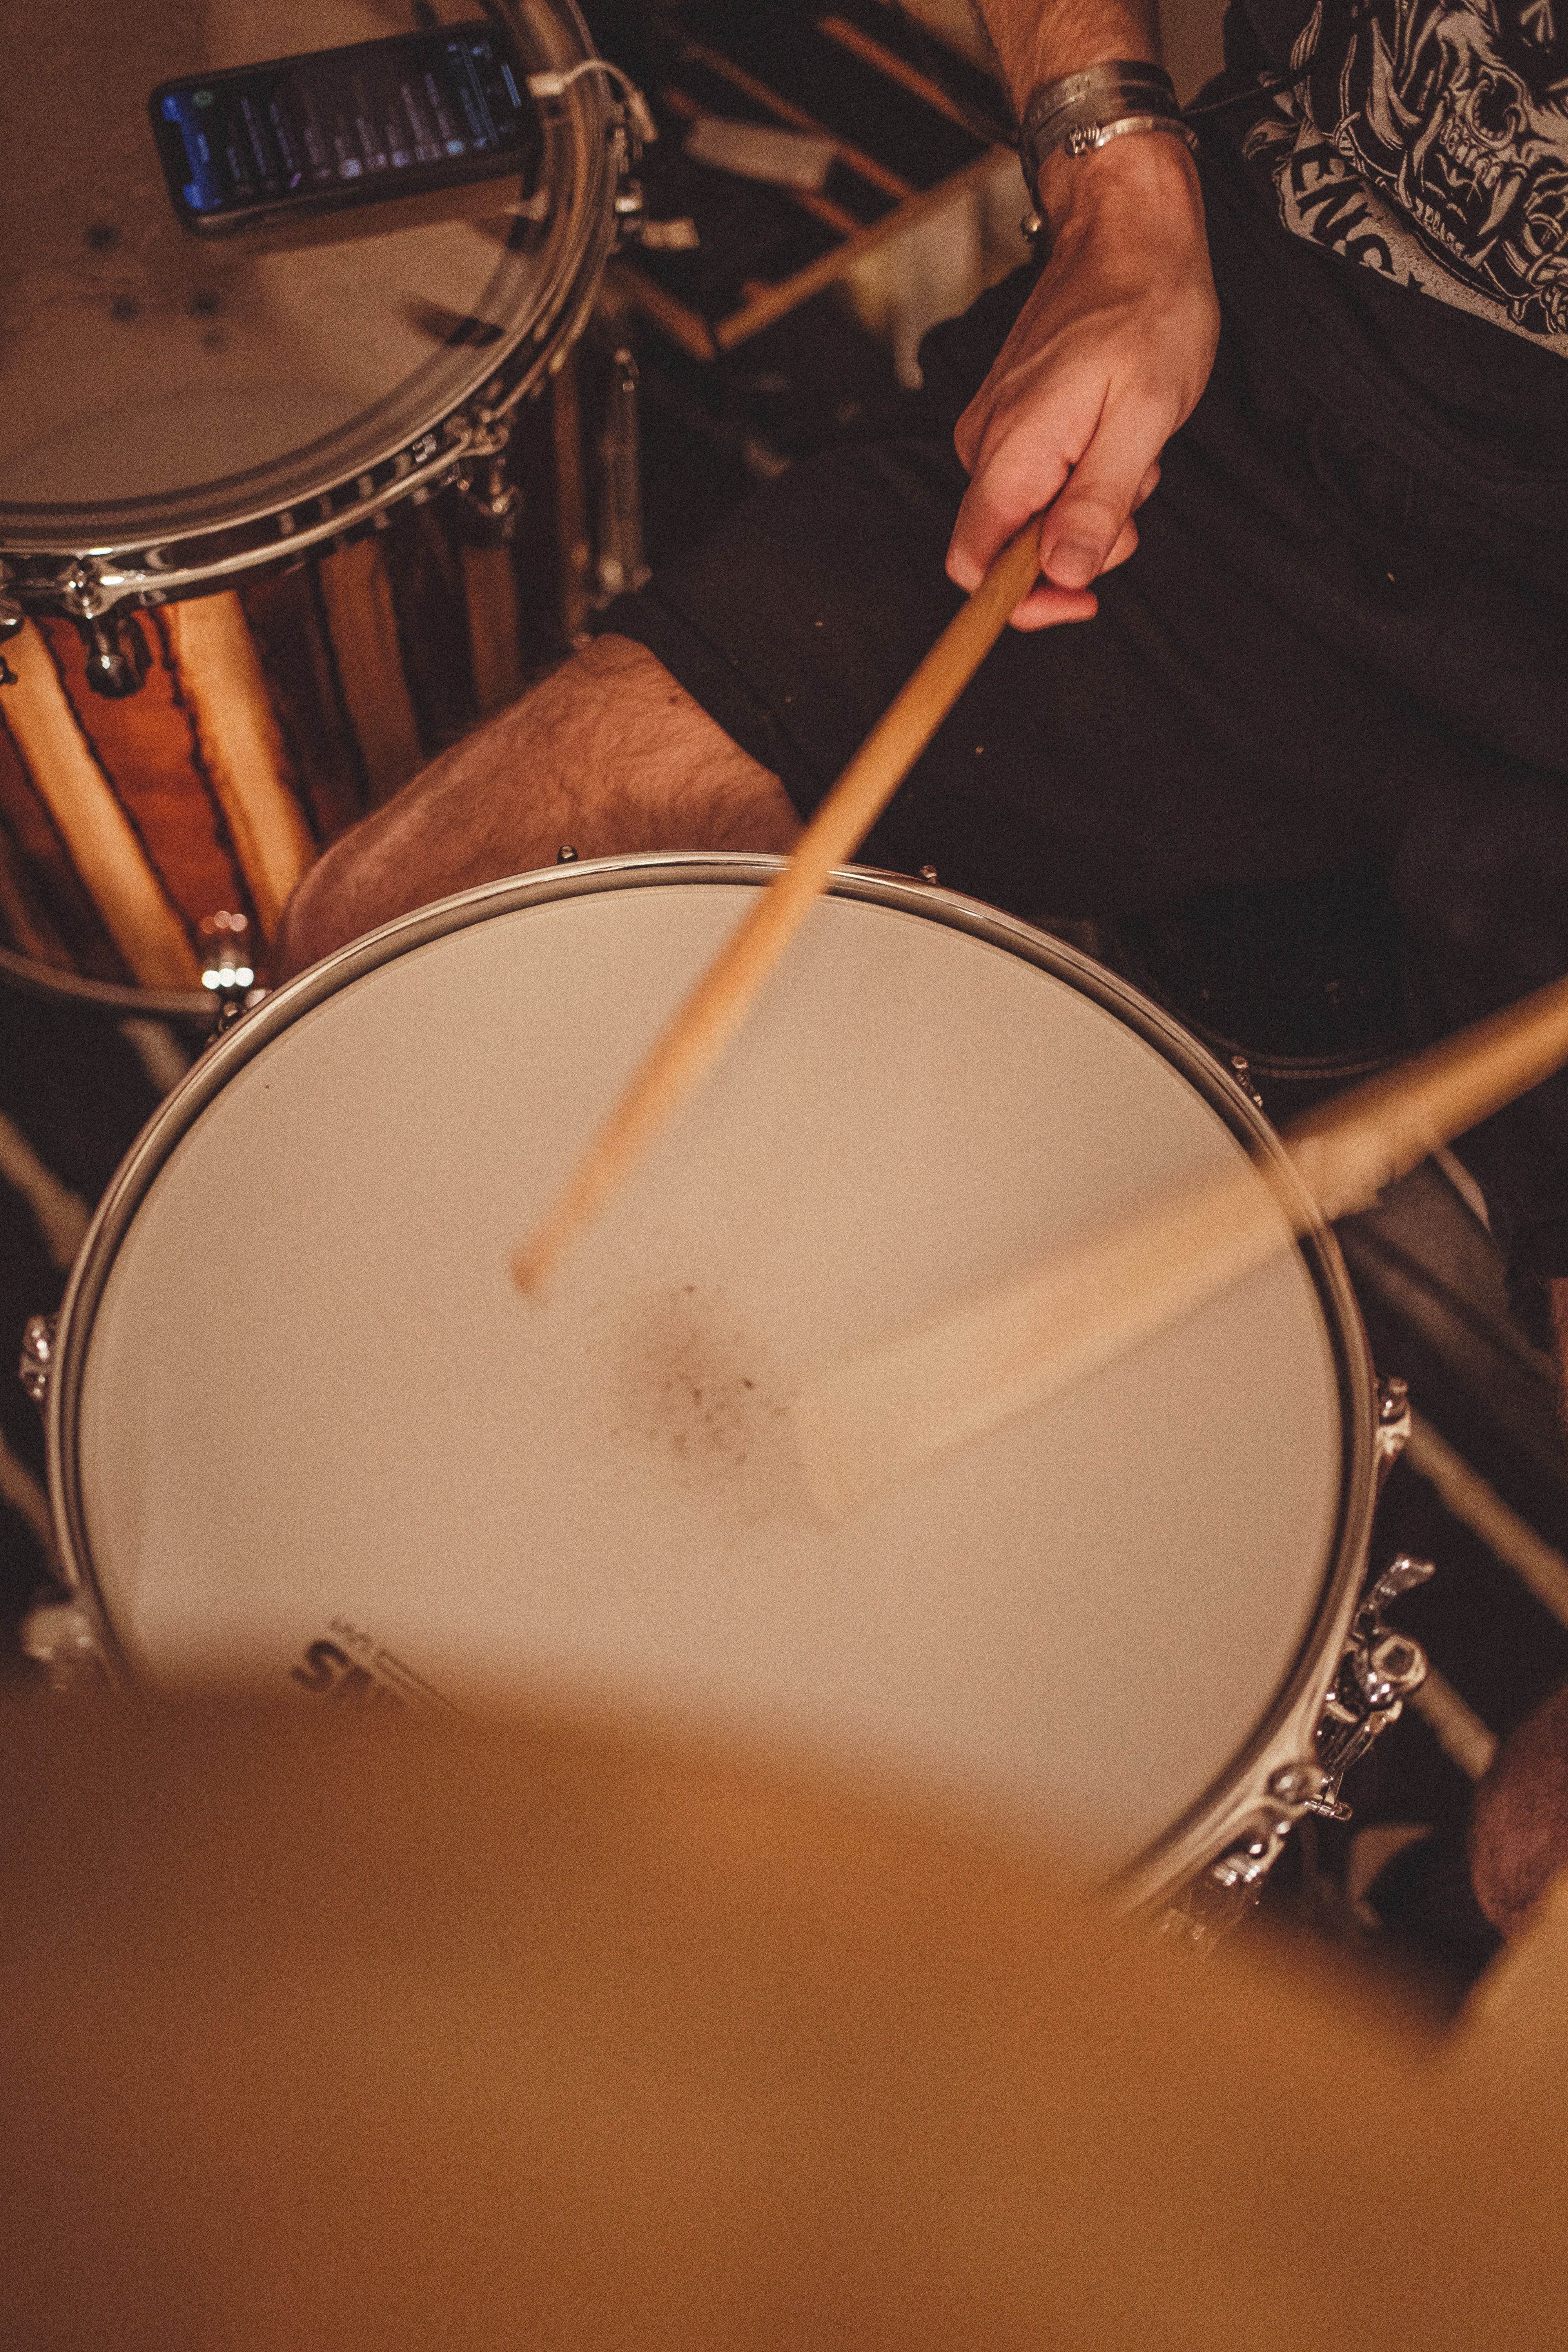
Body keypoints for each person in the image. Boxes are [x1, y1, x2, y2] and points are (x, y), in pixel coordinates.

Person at [278, 0, 1568, 1926]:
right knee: (382, 945)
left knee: (1546, 1864)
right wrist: (1117, 184)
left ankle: (1407, 1929)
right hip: (1258, 406)